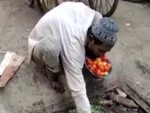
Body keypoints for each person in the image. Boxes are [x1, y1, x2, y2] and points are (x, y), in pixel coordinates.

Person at [28, 1, 118, 113]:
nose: (102, 55)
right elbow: (78, 90)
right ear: (91, 38)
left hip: (62, 30)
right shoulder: (73, 44)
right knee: (51, 49)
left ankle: (61, 58)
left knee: (76, 54)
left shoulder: (96, 19)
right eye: (101, 50)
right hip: (40, 45)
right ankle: (52, 74)